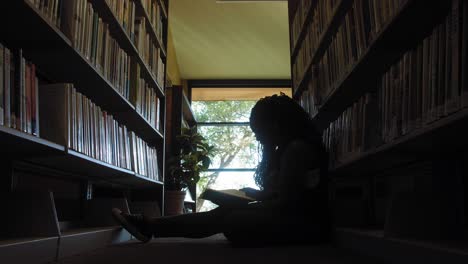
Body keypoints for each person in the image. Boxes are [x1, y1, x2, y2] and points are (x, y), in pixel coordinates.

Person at [112, 93, 331, 246]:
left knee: (231, 220)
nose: (256, 136)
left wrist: (251, 205)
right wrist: (257, 196)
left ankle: (149, 226)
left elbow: (287, 205)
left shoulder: (296, 150)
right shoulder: (288, 148)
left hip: (304, 226)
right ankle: (149, 226)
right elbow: (285, 195)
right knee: (227, 217)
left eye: (258, 130)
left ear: (274, 125)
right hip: (295, 219)